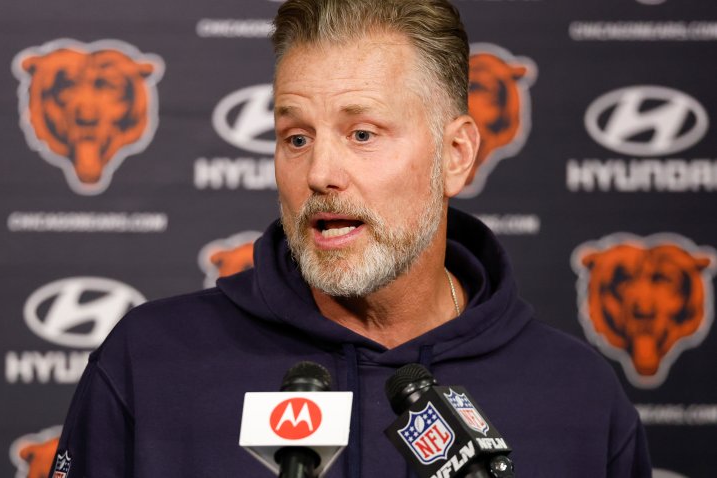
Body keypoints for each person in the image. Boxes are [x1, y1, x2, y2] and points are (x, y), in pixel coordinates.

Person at [51, 0, 652, 476]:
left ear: (457, 154)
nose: (319, 173)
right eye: (296, 137)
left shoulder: (578, 397)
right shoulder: (150, 363)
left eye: (362, 134)